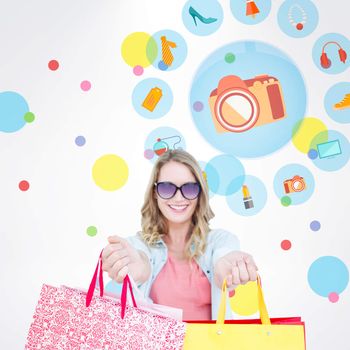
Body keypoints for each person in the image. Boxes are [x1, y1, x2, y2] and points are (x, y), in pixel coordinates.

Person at [102, 149, 258, 320]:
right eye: (167, 187)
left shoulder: (220, 240)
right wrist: (133, 268)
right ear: (155, 192)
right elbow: (141, 264)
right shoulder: (140, 245)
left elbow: (223, 262)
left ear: (200, 193)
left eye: (189, 188)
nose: (178, 198)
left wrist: (230, 269)